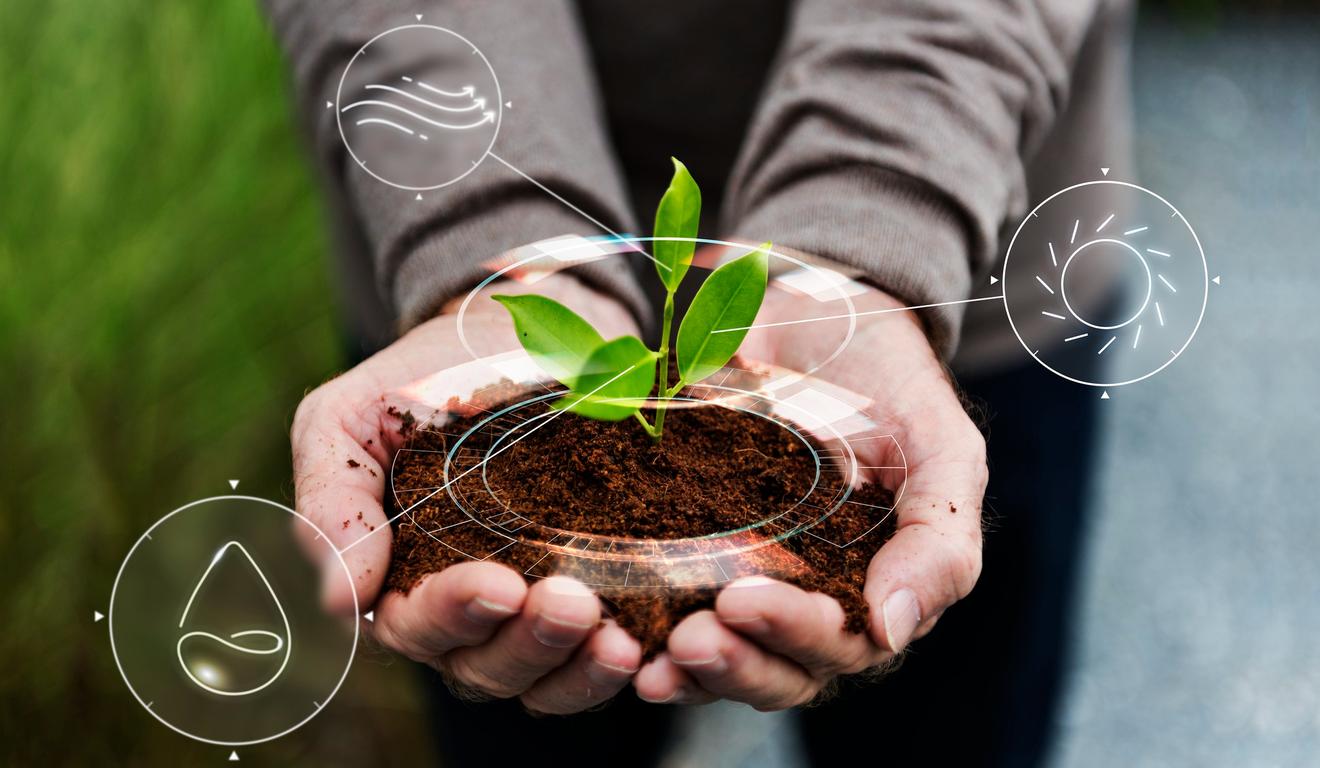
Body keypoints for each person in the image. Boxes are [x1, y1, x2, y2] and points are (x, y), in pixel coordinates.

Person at [267, 1, 1133, 765]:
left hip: (956, 224)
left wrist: (877, 216)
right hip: (456, 281)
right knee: (521, 693)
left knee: (946, 720)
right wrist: (491, 226)